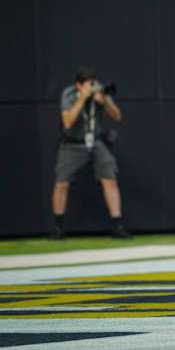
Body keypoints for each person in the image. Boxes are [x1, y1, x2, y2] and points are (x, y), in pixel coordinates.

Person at [50, 66, 131, 240]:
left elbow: (117, 116)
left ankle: (117, 225)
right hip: (72, 143)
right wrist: (82, 99)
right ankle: (58, 227)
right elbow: (67, 122)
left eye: (93, 84)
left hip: (96, 141)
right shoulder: (69, 94)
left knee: (110, 178)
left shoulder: (99, 90)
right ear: (78, 85)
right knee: (61, 182)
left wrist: (105, 102)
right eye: (88, 84)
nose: (92, 87)